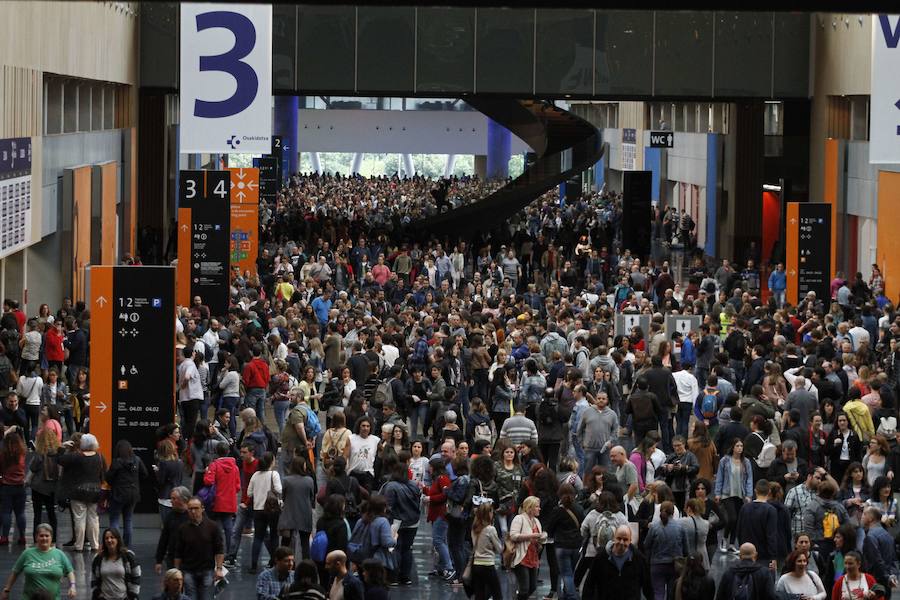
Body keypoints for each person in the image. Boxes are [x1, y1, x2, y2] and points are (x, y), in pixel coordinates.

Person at [1, 523, 75, 600]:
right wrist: (7, 590)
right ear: (36, 537)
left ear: (51, 537)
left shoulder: (59, 554)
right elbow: (15, 572)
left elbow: (70, 571)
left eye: (47, 536)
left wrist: (72, 586)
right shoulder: (27, 553)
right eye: (41, 535)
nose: (44, 538)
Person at [57, 432, 104, 552]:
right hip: (95, 491)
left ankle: (79, 545)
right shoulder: (99, 457)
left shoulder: (76, 456)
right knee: (93, 518)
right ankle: (95, 544)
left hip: (78, 492)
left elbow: (60, 460)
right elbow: (104, 473)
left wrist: (62, 447)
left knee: (79, 519)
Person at [173, 496, 225, 600]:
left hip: (207, 570)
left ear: (202, 509)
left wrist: (219, 569)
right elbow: (178, 552)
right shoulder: (183, 529)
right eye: (190, 508)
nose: (193, 511)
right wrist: (177, 571)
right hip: (188, 571)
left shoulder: (213, 527)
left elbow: (219, 549)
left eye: (196, 508)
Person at [583, 525, 653, 600]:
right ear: (614, 538)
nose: (621, 542)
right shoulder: (601, 558)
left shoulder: (639, 559)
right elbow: (590, 584)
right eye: (619, 538)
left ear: (630, 541)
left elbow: (647, 585)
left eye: (625, 539)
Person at [380, 461, 421, 586]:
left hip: (396, 522)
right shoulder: (413, 485)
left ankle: (393, 577)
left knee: (395, 548)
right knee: (407, 549)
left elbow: (388, 506)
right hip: (413, 522)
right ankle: (406, 577)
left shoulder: (391, 486)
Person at [104, 439, 149, 548]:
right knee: (128, 519)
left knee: (114, 519)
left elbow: (108, 478)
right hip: (133, 493)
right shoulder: (137, 460)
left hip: (118, 494)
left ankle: (115, 545)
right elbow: (145, 474)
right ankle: (127, 546)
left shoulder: (116, 462)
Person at [543, 483, 584, 600]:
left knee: (566, 573)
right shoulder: (579, 508)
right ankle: (567, 594)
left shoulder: (557, 511)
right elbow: (583, 525)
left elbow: (550, 528)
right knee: (572, 571)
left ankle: (571, 597)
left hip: (561, 545)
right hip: (576, 545)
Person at [202, 441, 241, 560]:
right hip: (230, 502)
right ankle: (230, 554)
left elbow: (208, 481)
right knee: (229, 529)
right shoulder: (235, 467)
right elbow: (238, 487)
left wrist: (206, 472)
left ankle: (217, 553)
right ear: (228, 451)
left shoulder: (214, 465)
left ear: (216, 452)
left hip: (217, 502)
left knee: (217, 529)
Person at [713, 438, 753, 552]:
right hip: (727, 493)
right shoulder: (725, 460)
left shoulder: (746, 462)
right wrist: (717, 493)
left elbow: (749, 479)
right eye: (737, 446)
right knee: (732, 518)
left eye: (741, 446)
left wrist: (749, 494)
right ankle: (724, 538)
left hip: (740, 494)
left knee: (738, 519)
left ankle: (731, 544)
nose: (740, 448)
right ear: (733, 447)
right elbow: (720, 477)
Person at [644, 500, 689, 600]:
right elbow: (686, 550)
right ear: (673, 512)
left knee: (658, 592)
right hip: (675, 565)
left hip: (656, 564)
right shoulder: (680, 528)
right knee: (671, 593)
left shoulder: (654, 527)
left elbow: (646, 545)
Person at [246, 451, 283, 574]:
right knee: (274, 536)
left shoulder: (255, 475)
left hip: (258, 510)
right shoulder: (274, 474)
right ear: (271, 462)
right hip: (272, 509)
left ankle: (253, 565)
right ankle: (274, 562)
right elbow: (278, 489)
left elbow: (249, 493)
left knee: (258, 537)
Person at [278, 455, 317, 560]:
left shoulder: (286, 480)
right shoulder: (309, 480)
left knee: (285, 541)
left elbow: (283, 496)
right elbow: (311, 496)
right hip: (305, 514)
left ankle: (283, 560)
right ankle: (306, 564)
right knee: (305, 543)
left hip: (289, 514)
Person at [509, 496, 547, 600]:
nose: (539, 509)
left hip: (533, 557)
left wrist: (542, 537)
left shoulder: (536, 521)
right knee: (524, 588)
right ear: (529, 508)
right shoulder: (519, 519)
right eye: (537, 507)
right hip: (521, 557)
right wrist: (532, 536)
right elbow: (513, 536)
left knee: (532, 587)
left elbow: (539, 539)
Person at [736, 479, 780, 567]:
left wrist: (742, 549)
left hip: (746, 555)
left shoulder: (745, 508)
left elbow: (739, 531)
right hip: (763, 556)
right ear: (769, 491)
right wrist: (773, 557)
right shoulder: (771, 510)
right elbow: (771, 535)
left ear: (755, 491)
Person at [89, 528, 141, 600]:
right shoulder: (98, 558)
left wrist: (133, 595)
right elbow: (93, 577)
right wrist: (97, 594)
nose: (109, 540)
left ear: (118, 539)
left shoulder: (128, 556)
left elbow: (136, 576)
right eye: (106, 538)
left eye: (112, 537)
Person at [28, 427, 59, 540]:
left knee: (37, 514)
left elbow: (32, 469)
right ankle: (53, 537)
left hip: (38, 487)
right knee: (51, 513)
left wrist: (27, 481)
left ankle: (36, 537)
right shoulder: (57, 454)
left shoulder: (39, 454)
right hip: (51, 488)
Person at [470, 502, 503, 600]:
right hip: (488, 564)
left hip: (476, 564)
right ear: (488, 514)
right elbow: (499, 549)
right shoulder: (490, 529)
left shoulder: (474, 528)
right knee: (497, 593)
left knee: (479, 593)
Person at [154, 487, 192, 574]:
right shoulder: (170, 516)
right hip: (173, 558)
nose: (171, 501)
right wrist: (159, 560)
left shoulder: (193, 516)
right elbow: (164, 539)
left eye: (174, 499)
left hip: (191, 559)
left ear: (184, 500)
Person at [861, 506, 898, 590]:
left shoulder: (870, 536)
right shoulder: (888, 535)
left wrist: (886, 577)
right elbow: (894, 560)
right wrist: (892, 576)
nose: (862, 516)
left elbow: (876, 561)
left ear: (870, 518)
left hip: (876, 583)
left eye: (864, 514)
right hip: (887, 582)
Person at [0, 430, 26, 545]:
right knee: (20, 513)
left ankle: (4, 537)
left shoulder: (3, 455)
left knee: (6, 512)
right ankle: (22, 536)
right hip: (20, 486)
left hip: (6, 486)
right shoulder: (22, 454)